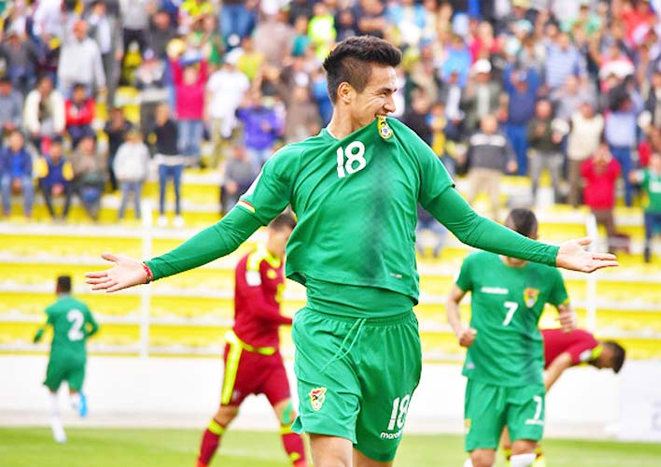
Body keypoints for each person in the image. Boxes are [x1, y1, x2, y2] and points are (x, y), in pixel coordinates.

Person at [87, 36, 617, 467]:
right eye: (383, 93)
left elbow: (469, 224)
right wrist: (151, 267)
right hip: (327, 330)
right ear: (345, 93)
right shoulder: (293, 162)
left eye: (395, 91)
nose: (393, 104)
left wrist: (551, 253)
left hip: (395, 337)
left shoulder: (409, 147)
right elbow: (229, 232)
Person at [446, 208, 576, 467]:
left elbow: (565, 308)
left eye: (525, 243)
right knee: (481, 459)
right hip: (484, 371)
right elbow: (451, 300)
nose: (517, 251)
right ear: (502, 234)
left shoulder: (547, 272)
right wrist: (459, 329)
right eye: (512, 241)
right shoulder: (476, 263)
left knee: (524, 452)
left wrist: (568, 318)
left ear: (536, 239)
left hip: (526, 373)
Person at [196, 213, 307, 467]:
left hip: (270, 356)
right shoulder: (252, 263)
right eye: (286, 239)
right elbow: (257, 310)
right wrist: (293, 321)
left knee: (288, 415)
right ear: (272, 232)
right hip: (244, 353)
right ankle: (201, 464)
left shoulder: (279, 263)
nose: (288, 245)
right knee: (226, 413)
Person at [500, 328, 626, 466]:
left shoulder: (586, 342)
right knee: (525, 428)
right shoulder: (592, 347)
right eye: (607, 365)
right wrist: (540, 393)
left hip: (516, 359)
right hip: (518, 358)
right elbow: (562, 362)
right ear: (610, 354)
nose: (601, 368)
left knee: (510, 428)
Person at [33, 275, 99, 443]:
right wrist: (83, 338)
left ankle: (58, 431)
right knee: (74, 390)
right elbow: (95, 328)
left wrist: (36, 338)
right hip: (79, 355)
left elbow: (41, 329)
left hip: (59, 356)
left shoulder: (52, 309)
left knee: (53, 391)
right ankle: (77, 401)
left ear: (57, 287)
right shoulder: (82, 307)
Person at [630, 153, 661, 263]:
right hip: (650, 210)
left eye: (658, 163)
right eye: (654, 163)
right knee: (648, 233)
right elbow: (633, 177)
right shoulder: (647, 174)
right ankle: (647, 257)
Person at [113, 128, 150, 221]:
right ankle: (120, 217)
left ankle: (138, 217)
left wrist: (145, 174)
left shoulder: (142, 148)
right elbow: (117, 162)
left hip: (138, 177)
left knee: (137, 199)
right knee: (124, 198)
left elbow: (146, 163)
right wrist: (119, 174)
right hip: (126, 177)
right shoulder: (123, 148)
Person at [37, 137, 74, 221]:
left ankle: (64, 216)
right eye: (54, 151)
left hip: (62, 186)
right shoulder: (44, 161)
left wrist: (61, 186)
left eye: (58, 151)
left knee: (70, 189)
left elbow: (68, 178)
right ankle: (53, 215)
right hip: (49, 186)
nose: (56, 153)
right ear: (49, 151)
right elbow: (42, 178)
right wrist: (53, 186)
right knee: (44, 189)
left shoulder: (66, 162)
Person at [0, 129, 34, 218]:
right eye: (13, 140)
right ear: (9, 141)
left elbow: (28, 169)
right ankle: (6, 210)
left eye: (18, 140)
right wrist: (14, 179)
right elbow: (2, 169)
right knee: (4, 182)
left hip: (23, 177)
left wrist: (19, 179)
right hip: (8, 176)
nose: (16, 142)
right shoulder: (4, 153)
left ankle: (28, 212)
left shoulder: (26, 154)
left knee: (28, 184)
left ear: (22, 141)